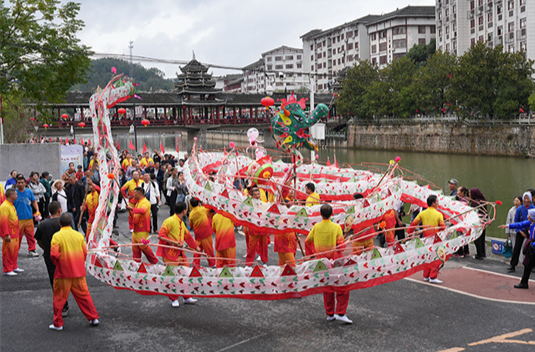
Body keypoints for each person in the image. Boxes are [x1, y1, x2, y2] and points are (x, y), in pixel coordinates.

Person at [48, 213, 99, 331]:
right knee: (84, 296)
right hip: (78, 272)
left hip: (63, 273)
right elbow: (84, 252)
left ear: (59, 223)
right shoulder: (79, 235)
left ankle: (58, 323)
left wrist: (57, 263)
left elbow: (54, 254)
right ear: (71, 222)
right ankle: (93, 317)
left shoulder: (57, 236)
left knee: (59, 298)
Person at [305, 204, 352, 324]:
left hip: (322, 262)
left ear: (320, 214)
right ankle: (341, 312)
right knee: (342, 286)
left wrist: (311, 256)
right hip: (336, 262)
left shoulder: (316, 227)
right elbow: (340, 247)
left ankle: (330, 313)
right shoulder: (336, 227)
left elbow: (307, 241)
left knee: (327, 287)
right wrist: (348, 241)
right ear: (332, 214)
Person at [157, 202, 201, 307]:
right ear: (184, 211)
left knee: (185, 273)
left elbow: (188, 236)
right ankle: (174, 299)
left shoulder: (181, 222)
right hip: (170, 254)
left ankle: (186, 296)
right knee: (172, 276)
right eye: (186, 210)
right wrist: (173, 242)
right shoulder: (169, 221)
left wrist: (196, 247)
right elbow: (161, 235)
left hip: (180, 253)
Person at [35, 201, 69, 316]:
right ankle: (65, 304)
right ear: (60, 210)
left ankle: (61, 305)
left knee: (54, 281)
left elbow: (38, 241)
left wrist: (46, 248)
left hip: (49, 255)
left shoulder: (42, 224)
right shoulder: (64, 223)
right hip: (64, 255)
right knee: (66, 280)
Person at [407, 195, 446, 284]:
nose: (438, 203)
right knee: (436, 257)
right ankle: (433, 276)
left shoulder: (422, 213)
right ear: (433, 203)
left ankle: (426, 275)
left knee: (427, 256)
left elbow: (413, 224)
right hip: (435, 239)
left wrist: (409, 233)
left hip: (425, 239)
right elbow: (443, 228)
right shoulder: (439, 214)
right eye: (437, 201)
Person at [499, 208, 535, 289]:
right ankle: (524, 283)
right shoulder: (531, 223)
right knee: (527, 265)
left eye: (529, 215)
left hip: (533, 248)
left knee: (528, 265)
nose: (528, 216)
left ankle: (524, 283)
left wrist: (533, 245)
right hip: (532, 249)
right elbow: (520, 224)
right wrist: (508, 226)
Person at [126, 187, 158, 264]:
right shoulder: (138, 202)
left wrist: (131, 208)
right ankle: (136, 263)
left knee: (143, 247)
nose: (133, 194)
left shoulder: (146, 202)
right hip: (136, 228)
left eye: (134, 193)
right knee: (135, 247)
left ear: (139, 193)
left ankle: (154, 261)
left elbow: (143, 211)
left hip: (143, 229)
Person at [14, 175, 39, 257]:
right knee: (17, 236)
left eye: (22, 182)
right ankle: (15, 250)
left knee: (31, 235)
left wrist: (37, 210)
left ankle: (32, 250)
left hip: (28, 217)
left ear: (25, 183)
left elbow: (34, 201)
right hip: (17, 218)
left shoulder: (29, 191)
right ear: (16, 184)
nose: (20, 184)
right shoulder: (13, 192)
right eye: (19, 183)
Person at [507, 192, 533, 271]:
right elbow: (516, 221)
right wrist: (520, 231)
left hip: (530, 231)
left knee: (530, 249)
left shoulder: (533, 208)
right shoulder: (519, 209)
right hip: (520, 231)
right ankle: (513, 265)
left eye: (527, 198)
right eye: (524, 198)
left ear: (530, 199)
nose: (526, 200)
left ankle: (530, 265)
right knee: (516, 248)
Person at [1, 189, 22, 276]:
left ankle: (14, 266)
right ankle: (7, 269)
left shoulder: (11, 205)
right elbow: (3, 222)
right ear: (11, 195)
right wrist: (6, 234)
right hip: (9, 233)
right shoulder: (4, 206)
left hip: (15, 233)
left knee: (15, 250)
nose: (17, 196)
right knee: (8, 252)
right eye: (16, 194)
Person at [189, 198, 215, 267]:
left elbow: (191, 225)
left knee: (197, 251)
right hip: (206, 234)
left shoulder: (191, 214)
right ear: (198, 203)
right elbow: (211, 208)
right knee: (209, 250)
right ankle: (212, 264)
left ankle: (196, 264)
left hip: (198, 235)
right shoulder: (202, 209)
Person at [469, 188, 487, 260]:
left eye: (470, 193)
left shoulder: (475, 202)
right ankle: (482, 253)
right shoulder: (483, 200)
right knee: (482, 237)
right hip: (483, 221)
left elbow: (473, 213)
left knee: (477, 237)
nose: (469, 194)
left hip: (477, 222)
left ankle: (479, 254)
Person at [453, 186, 471, 258]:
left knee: (459, 235)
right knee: (464, 235)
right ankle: (466, 251)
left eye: (458, 191)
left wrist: (456, 202)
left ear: (462, 192)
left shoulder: (463, 201)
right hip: (463, 221)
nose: (457, 192)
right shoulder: (463, 199)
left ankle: (460, 253)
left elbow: (459, 209)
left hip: (461, 221)